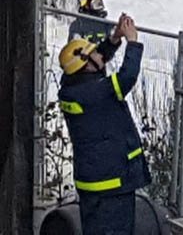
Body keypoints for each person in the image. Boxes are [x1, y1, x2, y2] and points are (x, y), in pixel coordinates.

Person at [57, 14, 150, 235]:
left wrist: (115, 38)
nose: (99, 55)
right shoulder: (96, 92)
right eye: (93, 54)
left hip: (93, 184)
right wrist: (133, 42)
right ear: (86, 66)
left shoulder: (72, 88)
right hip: (112, 183)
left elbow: (95, 61)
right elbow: (127, 76)